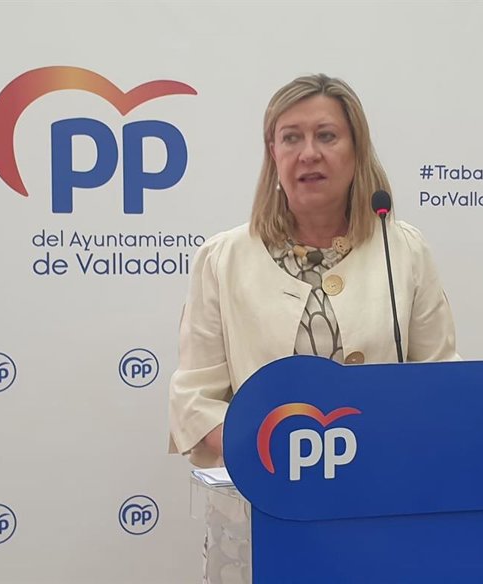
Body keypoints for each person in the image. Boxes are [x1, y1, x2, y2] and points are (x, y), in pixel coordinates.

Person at [167, 73, 459, 583]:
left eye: (327, 135)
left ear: (356, 149)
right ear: (273, 153)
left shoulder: (405, 251)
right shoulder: (223, 257)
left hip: (382, 505)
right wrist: (277, 454)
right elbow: (194, 398)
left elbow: (442, 380)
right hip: (261, 509)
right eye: (291, 137)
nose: (309, 153)